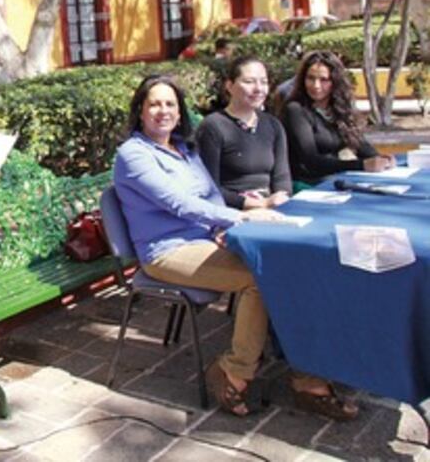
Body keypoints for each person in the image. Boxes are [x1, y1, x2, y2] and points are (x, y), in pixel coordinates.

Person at [113, 74, 358, 420]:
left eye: (170, 104)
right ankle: (234, 371)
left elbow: (209, 195)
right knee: (258, 280)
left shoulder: (183, 149)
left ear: (180, 114)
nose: (162, 111)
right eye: (154, 103)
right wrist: (238, 219)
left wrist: (220, 225)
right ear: (140, 110)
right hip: (166, 251)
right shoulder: (132, 155)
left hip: (201, 239)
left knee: (286, 269)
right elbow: (178, 203)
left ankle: (306, 375)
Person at [282, 50, 394, 184]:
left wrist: (380, 159)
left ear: (335, 81)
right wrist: (361, 165)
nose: (316, 85)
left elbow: (359, 143)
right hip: (308, 182)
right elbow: (310, 161)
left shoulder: (339, 109)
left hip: (336, 178)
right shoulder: (296, 110)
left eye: (324, 80)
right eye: (310, 78)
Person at [197, 56, 292, 210]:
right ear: (230, 86)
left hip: (271, 208)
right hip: (234, 211)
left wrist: (279, 199)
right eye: (249, 82)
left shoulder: (273, 125)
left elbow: (282, 178)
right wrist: (257, 204)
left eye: (264, 82)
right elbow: (210, 187)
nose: (258, 89)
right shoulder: (213, 126)